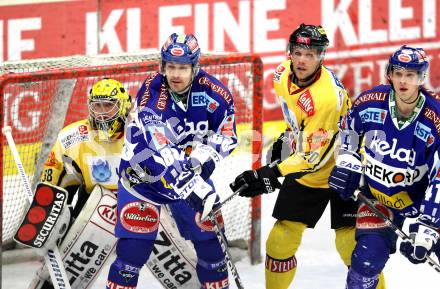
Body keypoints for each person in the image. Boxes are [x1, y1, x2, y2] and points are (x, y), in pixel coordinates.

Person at [231, 23, 385, 289]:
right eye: (297, 51)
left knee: (350, 246)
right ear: (289, 51)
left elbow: (312, 158)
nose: (301, 60)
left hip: (345, 168)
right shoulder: (281, 73)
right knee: (279, 242)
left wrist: (271, 172)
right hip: (309, 162)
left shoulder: (324, 98)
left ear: (321, 57)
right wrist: (287, 136)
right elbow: (297, 120)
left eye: (310, 54)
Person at [106, 33, 237, 289]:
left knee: (212, 246)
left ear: (195, 67)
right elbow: (159, 144)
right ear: (162, 66)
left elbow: (228, 136)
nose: (175, 74)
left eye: (183, 68)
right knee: (131, 255)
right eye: (170, 67)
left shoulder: (216, 94)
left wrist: (202, 162)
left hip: (188, 174)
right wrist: (190, 178)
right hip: (143, 177)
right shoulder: (152, 90)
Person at [328, 45, 440, 288]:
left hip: (424, 205)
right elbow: (348, 130)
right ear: (389, 73)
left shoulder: (436, 117)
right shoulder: (370, 102)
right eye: (398, 73)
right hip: (379, 200)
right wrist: (348, 161)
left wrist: (430, 226)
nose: (403, 80)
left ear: (421, 77)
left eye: (410, 75)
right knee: (365, 261)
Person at [33, 78, 131, 288]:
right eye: (97, 105)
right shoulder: (72, 137)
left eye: (108, 105)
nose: (102, 112)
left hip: (138, 205)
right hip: (93, 204)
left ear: (123, 105)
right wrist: (48, 218)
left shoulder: (141, 132)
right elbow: (53, 183)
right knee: (66, 265)